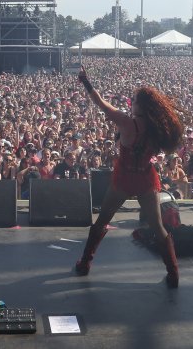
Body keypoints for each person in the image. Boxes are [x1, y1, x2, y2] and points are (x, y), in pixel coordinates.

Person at [74, 66, 184, 288]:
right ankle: (173, 273)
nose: (130, 101)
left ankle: (85, 263)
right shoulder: (157, 128)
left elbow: (100, 103)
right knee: (157, 226)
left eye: (132, 99)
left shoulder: (126, 122)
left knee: (103, 220)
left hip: (124, 177)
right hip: (145, 178)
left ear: (138, 105)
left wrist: (85, 81)